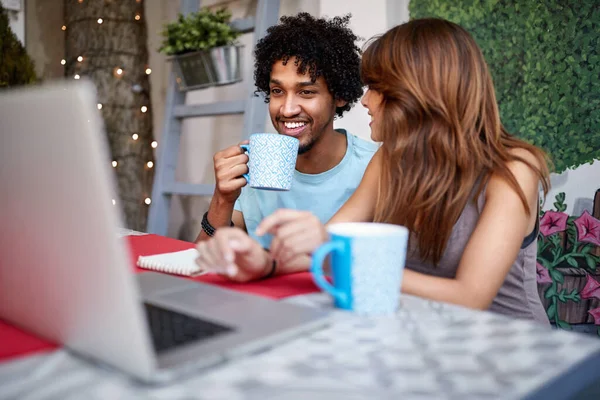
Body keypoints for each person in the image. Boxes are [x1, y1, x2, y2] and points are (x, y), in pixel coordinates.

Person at [201, 18, 552, 325]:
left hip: (508, 347)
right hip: (423, 333)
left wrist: (338, 253)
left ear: (417, 94)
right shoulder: (391, 160)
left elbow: (469, 298)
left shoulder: (514, 169)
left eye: (377, 88)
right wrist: (264, 263)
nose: (365, 100)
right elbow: (324, 246)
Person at [194, 13, 378, 281]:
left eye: (306, 92)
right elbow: (201, 267)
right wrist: (222, 199)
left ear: (338, 96)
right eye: (278, 91)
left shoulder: (375, 166)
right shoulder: (256, 165)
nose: (288, 109)